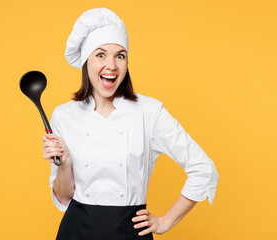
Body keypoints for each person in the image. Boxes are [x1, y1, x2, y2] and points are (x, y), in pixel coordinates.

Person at [42, 7, 219, 240]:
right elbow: (63, 197)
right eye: (101, 54)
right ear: (86, 60)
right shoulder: (64, 115)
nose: (112, 66)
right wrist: (65, 164)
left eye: (120, 55)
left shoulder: (149, 112)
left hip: (129, 233)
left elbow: (203, 169)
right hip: (76, 232)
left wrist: (165, 222)